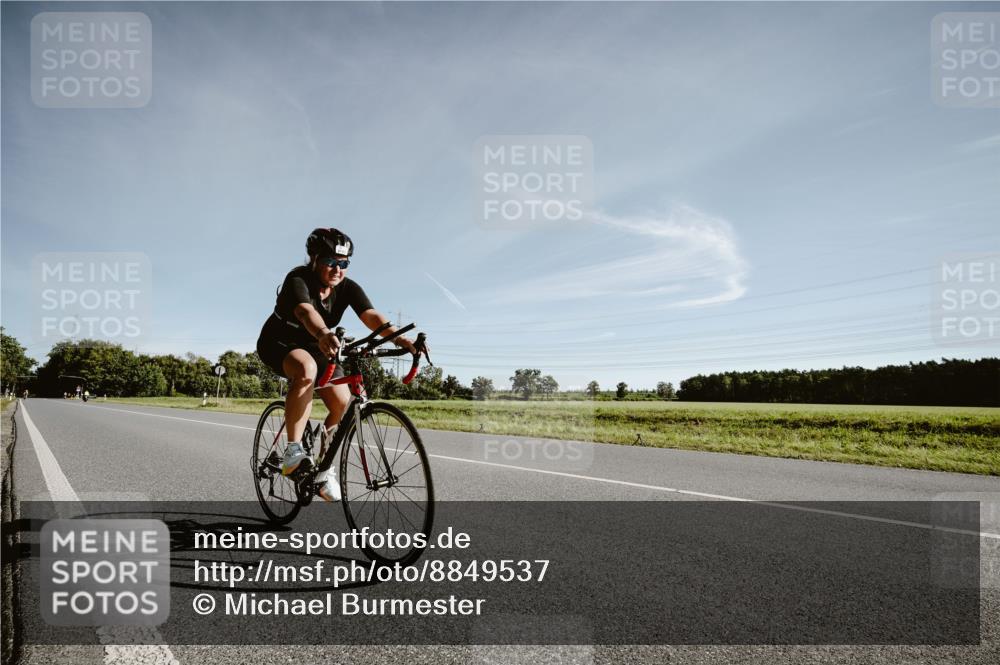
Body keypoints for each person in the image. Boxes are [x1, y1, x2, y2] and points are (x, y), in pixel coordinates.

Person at [256, 228, 419, 502]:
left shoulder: (348, 288)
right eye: (331, 262)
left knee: (344, 405)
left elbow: (370, 315)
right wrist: (322, 334)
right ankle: (293, 452)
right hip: (279, 341)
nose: (337, 269)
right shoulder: (298, 278)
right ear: (315, 259)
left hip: (319, 345)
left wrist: (402, 339)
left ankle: (323, 468)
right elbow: (304, 311)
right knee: (306, 368)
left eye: (343, 263)